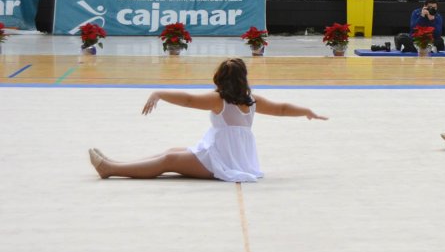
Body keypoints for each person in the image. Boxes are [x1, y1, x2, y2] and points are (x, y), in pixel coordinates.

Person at [88, 58, 327, 181]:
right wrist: (306, 110)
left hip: (223, 161)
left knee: (169, 159)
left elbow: (189, 100)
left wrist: (159, 93)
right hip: (229, 156)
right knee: (172, 150)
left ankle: (111, 169)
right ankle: (119, 163)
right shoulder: (251, 99)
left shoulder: (219, 100)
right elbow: (283, 109)